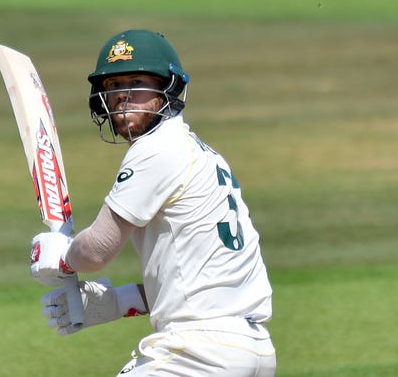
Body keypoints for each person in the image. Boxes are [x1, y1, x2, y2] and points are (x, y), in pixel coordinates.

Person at [30, 30, 276, 376]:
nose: (122, 95)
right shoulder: (202, 154)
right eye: (113, 85)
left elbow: (96, 250)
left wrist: (62, 255)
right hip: (252, 351)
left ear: (168, 89)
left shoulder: (156, 148)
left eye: (136, 81)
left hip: (199, 354)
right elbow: (195, 278)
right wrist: (118, 302)